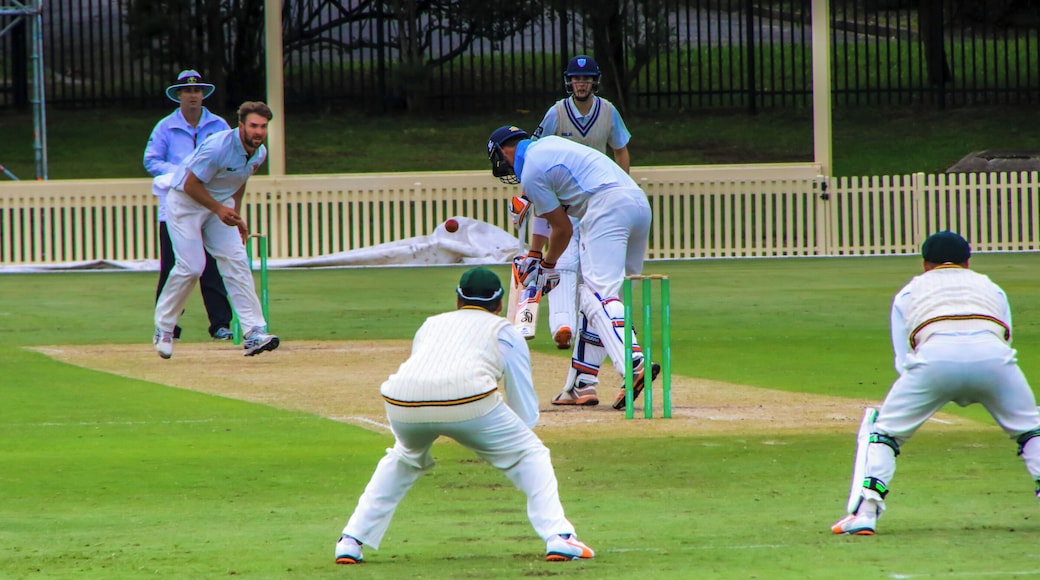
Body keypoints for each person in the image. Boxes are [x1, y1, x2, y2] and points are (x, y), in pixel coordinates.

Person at [333, 267, 594, 564]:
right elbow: (523, 407)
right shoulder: (506, 331)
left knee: (403, 457)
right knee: (531, 454)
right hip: (470, 400)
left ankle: (350, 540)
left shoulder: (430, 324)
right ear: (499, 304)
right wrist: (511, 443)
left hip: (401, 400)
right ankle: (559, 537)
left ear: (458, 299)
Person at [832, 231, 1040, 535]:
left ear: (925, 264)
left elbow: (904, 360)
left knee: (884, 433)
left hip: (934, 359)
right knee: (1031, 429)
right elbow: (1005, 339)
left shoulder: (908, 292)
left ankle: (866, 513)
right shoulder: (992, 288)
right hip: (994, 359)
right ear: (967, 262)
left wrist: (926, 391)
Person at [487, 125, 658, 411]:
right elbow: (545, 216)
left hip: (606, 207)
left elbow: (563, 229)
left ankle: (633, 363)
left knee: (597, 294)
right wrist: (534, 254)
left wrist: (547, 265)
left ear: (505, 150)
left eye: (498, 158)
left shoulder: (531, 169)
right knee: (603, 299)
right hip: (637, 204)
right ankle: (581, 384)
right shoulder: (549, 147)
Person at [523, 54, 633, 407]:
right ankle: (581, 373)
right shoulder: (556, 113)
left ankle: (601, 370)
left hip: (600, 206)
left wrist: (622, 184)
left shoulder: (608, 111)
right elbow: (534, 152)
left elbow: (621, 150)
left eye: (586, 80)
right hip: (565, 204)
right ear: (568, 82)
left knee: (596, 291)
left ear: (594, 82)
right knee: (579, 277)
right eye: (575, 79)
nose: (581, 84)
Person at [152, 101, 279, 359]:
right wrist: (220, 209)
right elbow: (190, 184)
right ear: (241, 124)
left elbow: (239, 180)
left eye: (263, 127)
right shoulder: (218, 147)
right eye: (254, 126)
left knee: (236, 260)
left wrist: (236, 211)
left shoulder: (259, 153)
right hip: (186, 202)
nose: (258, 132)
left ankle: (253, 331)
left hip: (218, 205)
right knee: (192, 266)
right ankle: (164, 327)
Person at [144, 69, 234, 341]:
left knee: (212, 267)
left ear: (203, 95)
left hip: (209, 204)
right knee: (173, 266)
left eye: (197, 91)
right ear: (179, 95)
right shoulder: (165, 127)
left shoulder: (218, 126)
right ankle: (167, 325)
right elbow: (151, 160)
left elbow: (230, 157)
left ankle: (220, 324)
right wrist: (180, 173)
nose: (193, 96)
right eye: (187, 91)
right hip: (176, 208)